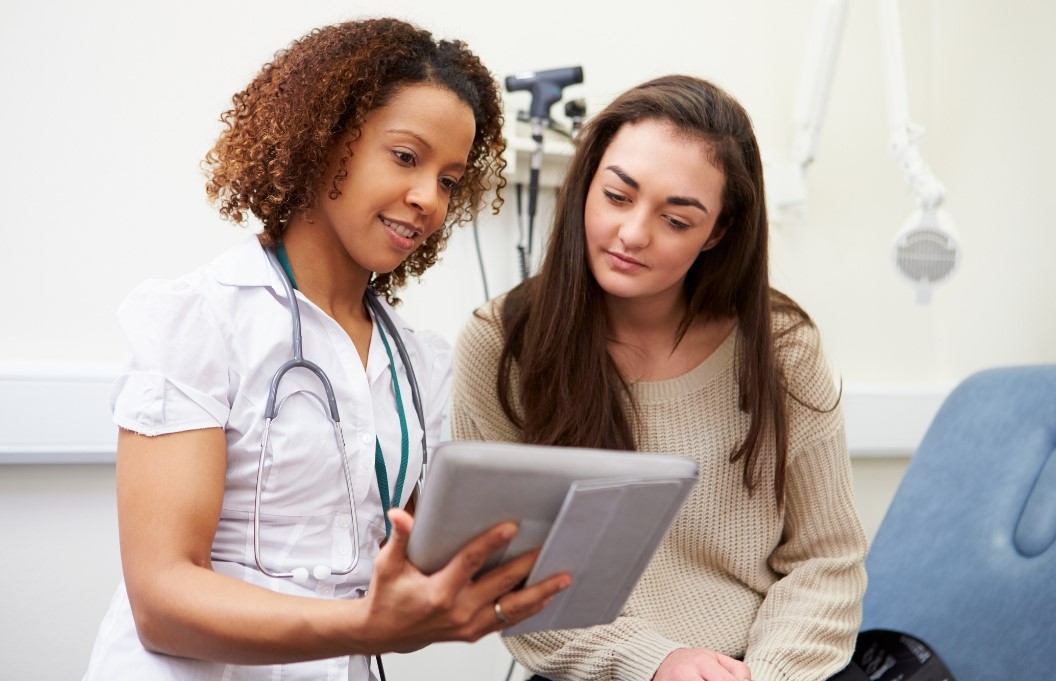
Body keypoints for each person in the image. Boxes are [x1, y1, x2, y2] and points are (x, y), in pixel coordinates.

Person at [83, 18, 570, 681]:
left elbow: (406, 557)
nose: (428, 199)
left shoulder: (416, 364)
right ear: (321, 142)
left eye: (450, 179)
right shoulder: (201, 320)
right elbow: (162, 599)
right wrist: (367, 625)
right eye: (405, 156)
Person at [450, 75, 868, 681]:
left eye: (676, 219)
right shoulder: (502, 343)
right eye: (618, 197)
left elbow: (827, 559)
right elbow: (509, 577)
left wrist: (764, 674)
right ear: (586, 184)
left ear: (717, 233)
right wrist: (657, 663)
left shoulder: (782, 349)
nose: (633, 234)